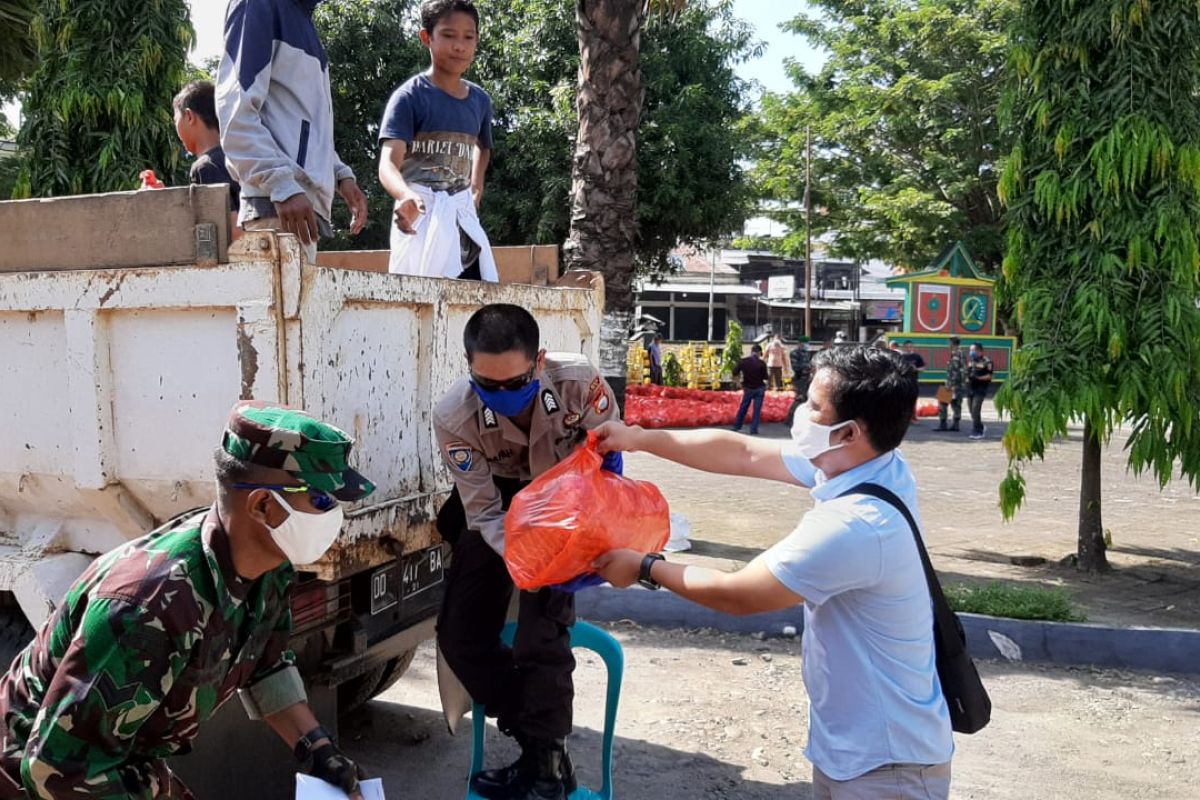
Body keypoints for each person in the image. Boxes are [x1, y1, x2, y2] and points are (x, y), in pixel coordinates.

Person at [591, 346, 954, 798]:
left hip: (886, 766)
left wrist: (646, 565)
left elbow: (739, 593)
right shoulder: (871, 466)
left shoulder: (856, 524)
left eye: (815, 407)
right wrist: (640, 438)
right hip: (865, 749)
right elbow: (742, 452)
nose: (801, 413)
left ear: (849, 433)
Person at [0, 402, 375, 800]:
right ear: (263, 505)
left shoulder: (268, 564)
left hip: (118, 767)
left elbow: (265, 661)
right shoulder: (148, 609)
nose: (335, 515)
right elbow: (55, 772)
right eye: (321, 502)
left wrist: (318, 750)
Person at [433, 304, 622, 800]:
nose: (503, 396)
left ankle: (544, 767)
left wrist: (584, 539)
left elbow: (610, 456)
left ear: (538, 362)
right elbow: (484, 511)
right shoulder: (454, 414)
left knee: (543, 632)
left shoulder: (577, 382)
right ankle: (542, 739)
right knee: (458, 633)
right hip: (499, 501)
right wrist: (526, 560)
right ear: (469, 367)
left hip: (568, 494)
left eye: (514, 383)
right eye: (486, 385)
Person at [217, 0, 369, 263]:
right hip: (278, 208)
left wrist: (340, 174)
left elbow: (302, 126)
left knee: (296, 305)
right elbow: (235, 114)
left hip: (297, 209)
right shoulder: (259, 5)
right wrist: (281, 185)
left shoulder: (302, 20)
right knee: (280, 305)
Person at [379, 0, 497, 280]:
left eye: (468, 37)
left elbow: (484, 146)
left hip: (461, 218)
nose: (459, 45)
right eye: (448, 35)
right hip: (421, 217)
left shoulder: (479, 100)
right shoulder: (409, 98)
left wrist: (476, 189)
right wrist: (405, 195)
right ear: (426, 37)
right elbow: (387, 164)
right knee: (418, 303)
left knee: (475, 306)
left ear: (476, 41)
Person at [173, 79, 241, 240]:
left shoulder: (205, 167)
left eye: (175, 119)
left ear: (189, 116)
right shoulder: (238, 156)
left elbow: (228, 232)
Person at [731, 344, 769, 435]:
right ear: (759, 352)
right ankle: (753, 429)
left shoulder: (743, 361)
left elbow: (734, 372)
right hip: (759, 388)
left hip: (748, 388)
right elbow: (765, 377)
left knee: (743, 407)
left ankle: (737, 426)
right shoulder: (761, 363)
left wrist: (738, 383)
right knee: (757, 410)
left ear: (751, 351)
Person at [936, 336, 967, 432]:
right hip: (956, 383)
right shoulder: (959, 353)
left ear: (952, 343)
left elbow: (957, 371)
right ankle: (955, 424)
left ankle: (944, 424)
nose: (948, 344)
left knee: (944, 402)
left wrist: (951, 385)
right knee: (955, 404)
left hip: (953, 384)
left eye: (949, 342)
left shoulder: (957, 354)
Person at [966, 342, 994, 439]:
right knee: (971, 410)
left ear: (979, 350)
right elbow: (968, 373)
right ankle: (980, 426)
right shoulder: (971, 361)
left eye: (972, 350)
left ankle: (977, 431)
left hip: (980, 389)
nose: (971, 352)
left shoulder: (987, 361)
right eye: (970, 350)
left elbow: (989, 376)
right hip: (970, 389)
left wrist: (978, 378)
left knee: (975, 410)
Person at [785, 336, 812, 426]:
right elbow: (795, 367)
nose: (807, 345)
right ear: (800, 343)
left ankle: (802, 420)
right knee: (799, 399)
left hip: (807, 379)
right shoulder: (795, 353)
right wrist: (807, 366)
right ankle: (790, 420)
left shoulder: (808, 353)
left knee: (806, 399)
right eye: (805, 343)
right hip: (799, 379)